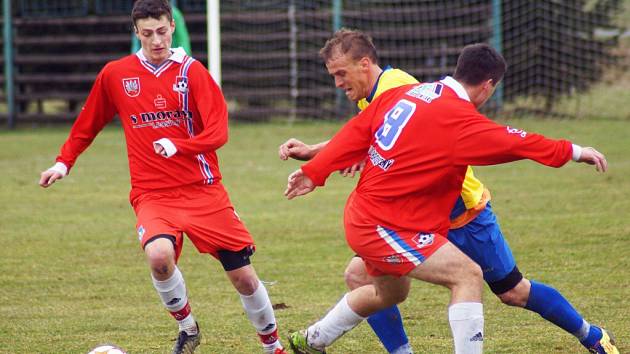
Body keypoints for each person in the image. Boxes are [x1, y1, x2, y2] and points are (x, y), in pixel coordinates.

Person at [279, 29, 619, 354]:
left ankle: (592, 335)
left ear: (365, 64)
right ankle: (322, 341)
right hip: (406, 219)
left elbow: (388, 134)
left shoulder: (402, 89)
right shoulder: (419, 102)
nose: (337, 83)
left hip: (463, 213)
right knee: (405, 276)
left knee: (512, 290)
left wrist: (318, 167)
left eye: (341, 73)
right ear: (488, 86)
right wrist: (317, 165)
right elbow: (366, 133)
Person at [38, 1, 287, 353]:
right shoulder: (116, 74)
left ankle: (272, 346)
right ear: (136, 33)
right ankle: (188, 328)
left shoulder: (193, 73)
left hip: (203, 190)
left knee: (244, 278)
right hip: (152, 193)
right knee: (158, 256)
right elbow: (88, 123)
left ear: (173, 26)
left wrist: (181, 145)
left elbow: (219, 133)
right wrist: (64, 163)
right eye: (147, 33)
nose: (156, 40)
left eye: (161, 31)